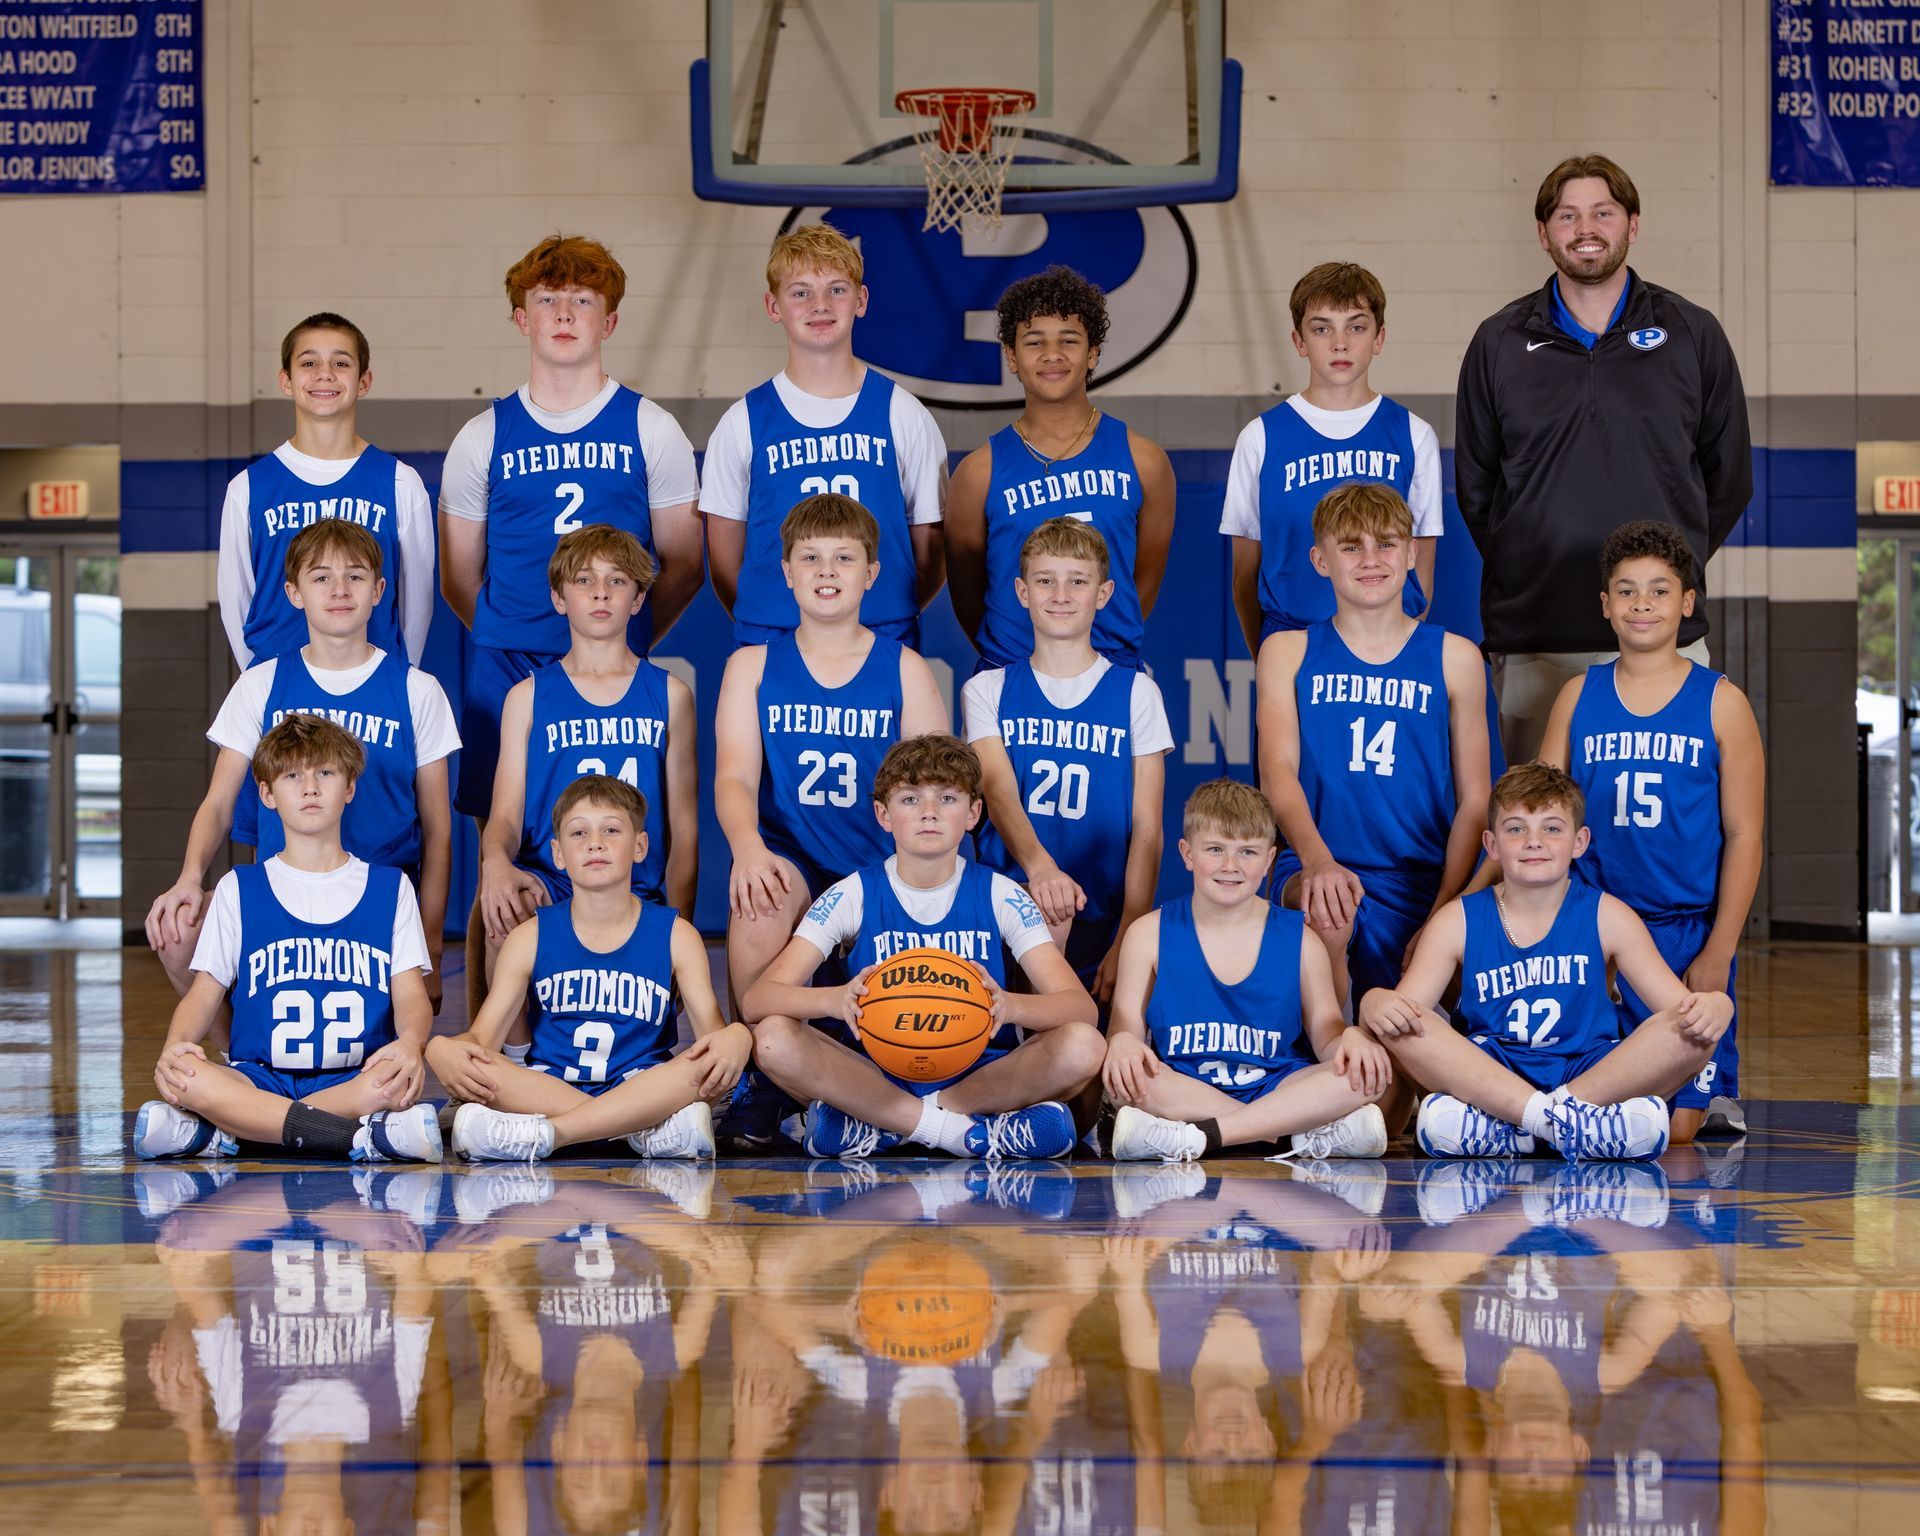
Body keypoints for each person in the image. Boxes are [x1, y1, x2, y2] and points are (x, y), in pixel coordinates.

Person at [1454, 153, 1753, 763]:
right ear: (1544, 233)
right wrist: (1533, 555)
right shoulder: (1498, 341)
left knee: (1657, 832)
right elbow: (1477, 485)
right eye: (1567, 215)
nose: (1585, 228)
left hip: (1662, 640)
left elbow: (1728, 479)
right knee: (1536, 839)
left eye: (1602, 212)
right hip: (1538, 635)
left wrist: (1665, 570)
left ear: (1632, 224)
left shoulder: (1693, 334)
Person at [438, 233, 702, 821]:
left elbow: (684, 566)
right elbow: (458, 576)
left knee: (615, 836)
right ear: (520, 318)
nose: (563, 313)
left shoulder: (652, 429)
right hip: (507, 665)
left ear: (608, 323)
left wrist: (621, 638)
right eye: (547, 299)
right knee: (502, 850)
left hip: (615, 666)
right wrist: (509, 630)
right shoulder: (482, 436)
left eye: (583, 300)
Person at [742, 734, 1107, 1160]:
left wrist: (1009, 1006)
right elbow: (758, 1000)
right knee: (771, 1038)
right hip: (877, 1074)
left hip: (979, 1077)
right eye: (910, 799)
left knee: (1085, 1044)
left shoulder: (1001, 894)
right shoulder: (854, 894)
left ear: (973, 813)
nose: (929, 813)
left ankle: (891, 1127)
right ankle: (969, 1135)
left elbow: (1080, 1009)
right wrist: (835, 999)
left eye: (948, 798)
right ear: (883, 814)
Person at [712, 494, 947, 1147]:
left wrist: (911, 882)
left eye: (844, 558)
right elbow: (734, 775)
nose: (827, 570)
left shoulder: (904, 667)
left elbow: (934, 794)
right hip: (791, 859)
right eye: (810, 557)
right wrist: (748, 848)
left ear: (871, 573)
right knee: (757, 896)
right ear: (784, 571)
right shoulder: (752, 665)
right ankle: (761, 1085)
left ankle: (862, 1081)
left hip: (878, 867)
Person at [143, 521, 457, 1009]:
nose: (339, 590)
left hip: (380, 905)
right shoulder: (260, 685)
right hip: (281, 897)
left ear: (378, 591)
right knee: (178, 927)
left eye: (355, 577)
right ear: (294, 592)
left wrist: (431, 943)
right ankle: (238, 1056)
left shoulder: (418, 690)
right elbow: (220, 802)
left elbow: (438, 832)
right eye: (321, 577)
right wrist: (189, 877)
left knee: (379, 1075)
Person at [1359, 763, 1734, 1162]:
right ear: (1491, 844)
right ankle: (1577, 1127)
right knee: (1403, 1023)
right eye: (1516, 828)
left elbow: (1680, 1012)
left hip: (1587, 1070)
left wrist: (1718, 1005)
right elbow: (1407, 1015)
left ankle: (1514, 1129)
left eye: (1552, 828)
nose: (1533, 841)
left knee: (1694, 1030)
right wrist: (1375, 1002)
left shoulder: (1610, 915)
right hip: (1491, 1070)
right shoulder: (1457, 919)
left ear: (1579, 841)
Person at [1540, 520, 1764, 1144]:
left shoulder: (1722, 701)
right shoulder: (1577, 695)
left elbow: (1745, 835)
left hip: (1682, 931)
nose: (1643, 604)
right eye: (1628, 590)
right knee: (1575, 1075)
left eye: (1660, 590)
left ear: (1687, 603)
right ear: (1606, 605)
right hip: (1592, 924)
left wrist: (1717, 951)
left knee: (1682, 1127)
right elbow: (1538, 812)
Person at [133, 715, 442, 1163]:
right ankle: (355, 1136)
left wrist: (411, 1044)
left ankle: (230, 1130)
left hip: (355, 1076)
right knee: (191, 1075)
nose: (310, 787)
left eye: (326, 773)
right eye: (292, 775)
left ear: (350, 788)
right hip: (258, 1076)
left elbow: (412, 996)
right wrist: (174, 1048)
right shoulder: (239, 888)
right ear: (267, 794)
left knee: (391, 1078)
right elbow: (203, 995)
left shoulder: (391, 888)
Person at [1256, 482, 1490, 1016]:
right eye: (1350, 546)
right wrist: (1318, 861)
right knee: (1326, 912)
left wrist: (1443, 909)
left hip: (1421, 876)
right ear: (1320, 560)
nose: (1370, 559)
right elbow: (1277, 772)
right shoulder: (1288, 651)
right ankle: (1329, 1061)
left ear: (1412, 553)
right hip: (1318, 861)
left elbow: (1476, 800)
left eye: (1386, 544)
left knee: (1427, 1008)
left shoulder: (1455, 657)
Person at [431, 776, 750, 1162]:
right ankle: (640, 1133)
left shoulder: (675, 935)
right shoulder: (529, 936)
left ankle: (550, 1135)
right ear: (558, 853)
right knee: (477, 1065)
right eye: (578, 832)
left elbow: (711, 1045)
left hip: (638, 1086)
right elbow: (483, 1040)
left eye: (611, 830)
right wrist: (439, 1049)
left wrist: (737, 1038)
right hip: (554, 1088)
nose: (595, 843)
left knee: (713, 1059)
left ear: (640, 845)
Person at [470, 525, 696, 1019]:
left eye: (617, 581)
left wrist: (681, 927)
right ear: (558, 597)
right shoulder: (526, 698)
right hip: (553, 881)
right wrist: (497, 866)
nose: (599, 592)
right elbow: (504, 818)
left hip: (636, 887)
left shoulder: (670, 695)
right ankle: (509, 1072)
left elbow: (683, 831)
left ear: (638, 599)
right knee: (507, 907)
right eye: (584, 579)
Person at [1101, 778, 1390, 1163]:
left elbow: (1327, 1037)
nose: (1230, 866)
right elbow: (1126, 1032)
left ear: (1270, 860)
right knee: (1127, 1082)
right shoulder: (1147, 934)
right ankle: (1286, 1138)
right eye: (1215, 849)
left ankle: (1197, 1137)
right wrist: (1120, 1041)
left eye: (1248, 852)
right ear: (1187, 854)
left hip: (1278, 1085)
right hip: (1187, 1087)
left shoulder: (1301, 940)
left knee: (1361, 1076)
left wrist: (1350, 1040)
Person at [700, 222, 949, 647]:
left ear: (861, 300)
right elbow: (728, 569)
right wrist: (772, 616)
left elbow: (930, 557)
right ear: (773, 305)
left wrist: (877, 614)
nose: (820, 305)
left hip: (881, 640)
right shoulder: (743, 421)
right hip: (772, 644)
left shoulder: (904, 414)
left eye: (836, 289)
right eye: (800, 292)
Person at [964, 516, 1172, 1000]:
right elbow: (997, 791)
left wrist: (1130, 937)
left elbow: (1148, 830)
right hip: (1011, 905)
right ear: (1021, 591)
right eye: (1045, 580)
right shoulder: (987, 689)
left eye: (1077, 581)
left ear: (1103, 594)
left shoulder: (1137, 692)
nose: (1061, 594)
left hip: (1103, 916)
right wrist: (1040, 868)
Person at [946, 265, 1176, 671]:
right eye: (1034, 342)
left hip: (1112, 672)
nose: (1052, 354)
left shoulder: (1145, 462)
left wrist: (1087, 656)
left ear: (1093, 353)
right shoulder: (977, 473)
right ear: (1011, 356)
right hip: (1009, 673)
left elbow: (1143, 583)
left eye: (1069, 340)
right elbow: (969, 595)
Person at [1221, 261, 1443, 660]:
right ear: (1299, 341)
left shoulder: (1414, 434)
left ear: (1379, 338)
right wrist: (1273, 658)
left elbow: (1420, 570)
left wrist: (1398, 653)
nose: (1340, 343)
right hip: (1292, 643)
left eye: (1356, 327)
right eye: (1322, 328)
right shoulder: (1259, 438)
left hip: (1391, 646)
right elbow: (1244, 576)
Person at [217, 312, 435, 669]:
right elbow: (236, 601)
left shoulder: (400, 483)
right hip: (280, 688)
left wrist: (398, 677)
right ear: (285, 380)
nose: (325, 373)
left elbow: (417, 606)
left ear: (364, 381)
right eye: (308, 362)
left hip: (374, 686)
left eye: (341, 362)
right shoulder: (248, 488)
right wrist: (261, 682)